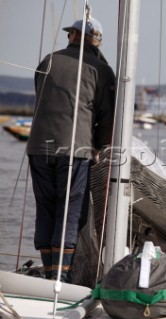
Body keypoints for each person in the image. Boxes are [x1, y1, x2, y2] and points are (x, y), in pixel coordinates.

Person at [26, 17, 115, 283]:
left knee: (46, 208)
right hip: (73, 149)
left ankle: (50, 273)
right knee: (70, 211)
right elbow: (107, 117)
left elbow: (40, 94)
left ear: (74, 36)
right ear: (96, 40)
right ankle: (60, 281)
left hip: (38, 146)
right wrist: (98, 148)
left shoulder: (48, 60)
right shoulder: (101, 69)